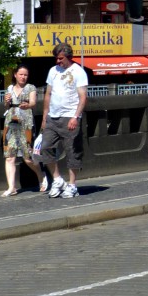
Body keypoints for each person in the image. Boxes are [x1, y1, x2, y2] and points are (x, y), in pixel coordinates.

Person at [39, 42, 88, 199]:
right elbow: (48, 94)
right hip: (53, 117)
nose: (58, 61)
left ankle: (72, 185)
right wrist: (44, 116)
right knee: (45, 147)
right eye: (56, 58)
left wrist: (75, 117)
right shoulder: (53, 71)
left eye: (60, 58)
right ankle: (58, 180)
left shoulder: (78, 72)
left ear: (68, 57)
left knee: (72, 151)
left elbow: (83, 97)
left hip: (69, 116)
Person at [1, 65, 46, 196]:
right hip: (10, 122)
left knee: (28, 157)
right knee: (9, 156)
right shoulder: (10, 88)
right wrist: (6, 101)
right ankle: (11, 187)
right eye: (21, 74)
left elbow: (33, 102)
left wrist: (28, 105)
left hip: (25, 123)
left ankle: (41, 175)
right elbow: (6, 106)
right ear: (15, 75)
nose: (23, 77)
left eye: (25, 75)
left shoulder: (31, 87)